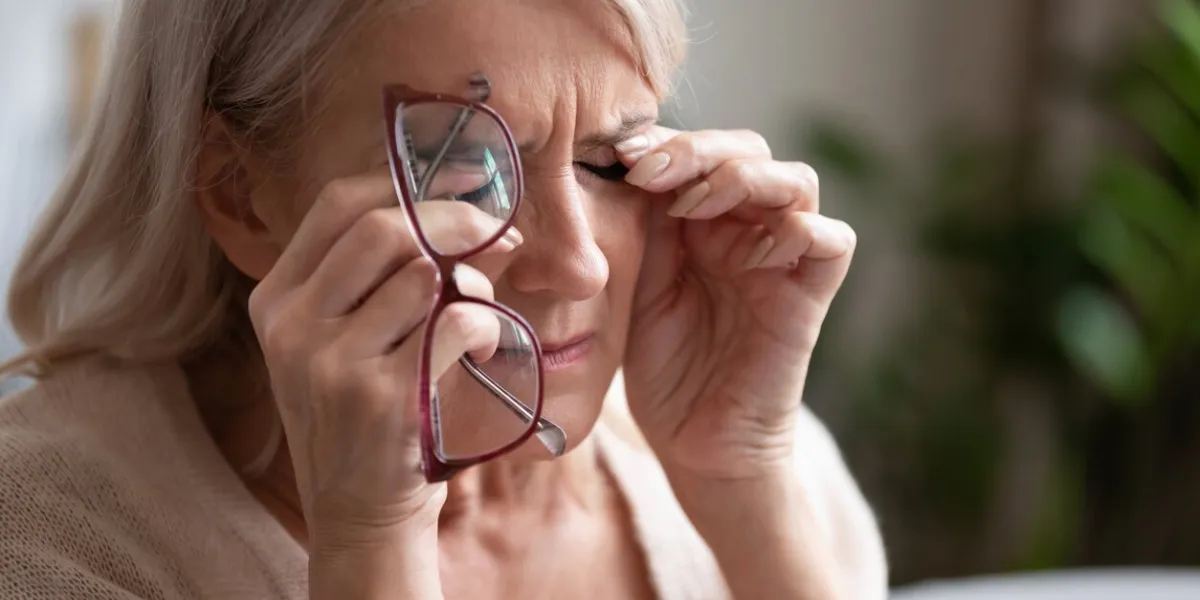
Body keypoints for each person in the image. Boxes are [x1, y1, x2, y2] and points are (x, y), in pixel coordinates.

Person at [0, 0, 888, 598]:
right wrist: (372, 542)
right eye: (465, 171)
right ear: (239, 196)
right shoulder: (45, 542)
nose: (579, 266)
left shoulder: (763, 463)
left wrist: (746, 487)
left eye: (610, 163)